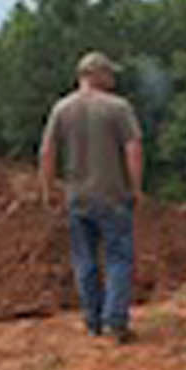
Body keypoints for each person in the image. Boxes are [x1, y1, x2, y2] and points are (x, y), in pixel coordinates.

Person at [38, 50, 144, 344]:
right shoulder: (118, 108)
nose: (112, 79)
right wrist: (135, 188)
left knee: (84, 260)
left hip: (78, 198)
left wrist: (48, 190)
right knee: (119, 259)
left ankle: (93, 322)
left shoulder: (61, 109)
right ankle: (115, 323)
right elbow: (133, 149)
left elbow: (47, 152)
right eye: (109, 74)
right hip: (112, 196)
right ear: (96, 74)